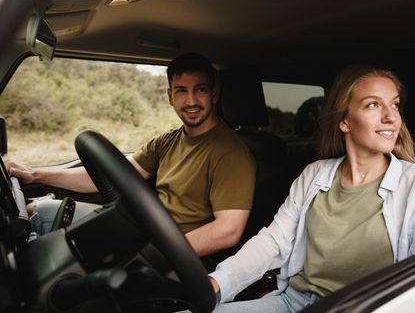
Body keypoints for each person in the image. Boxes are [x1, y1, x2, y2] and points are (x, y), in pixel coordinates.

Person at [207, 65, 415, 312]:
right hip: (292, 302)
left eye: (394, 104)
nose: (391, 117)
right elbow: (272, 243)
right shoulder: (314, 174)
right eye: (373, 104)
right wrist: (218, 282)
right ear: (344, 122)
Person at [6, 52, 256, 258]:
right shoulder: (168, 140)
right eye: (181, 91)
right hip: (142, 228)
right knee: (37, 211)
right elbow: (112, 176)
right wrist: (36, 174)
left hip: (171, 255)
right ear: (170, 97)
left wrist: (155, 254)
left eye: (199, 90)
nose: (191, 100)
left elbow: (228, 230)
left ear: (213, 94)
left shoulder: (231, 153)